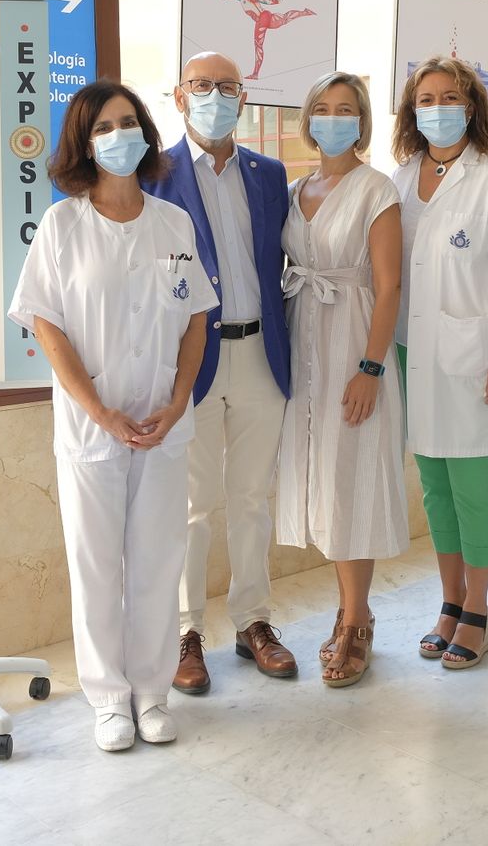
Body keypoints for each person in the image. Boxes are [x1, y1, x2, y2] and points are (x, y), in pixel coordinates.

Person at [8, 80, 215, 751]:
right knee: (96, 564)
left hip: (161, 423)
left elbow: (193, 321)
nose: (119, 136)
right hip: (92, 430)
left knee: (157, 559)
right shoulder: (64, 225)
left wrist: (179, 396)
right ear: (85, 144)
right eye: (103, 128)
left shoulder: (173, 223)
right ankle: (108, 700)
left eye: (129, 123)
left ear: (147, 135)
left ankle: (152, 693)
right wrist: (99, 410)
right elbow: (47, 327)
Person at [144, 51, 297, 693]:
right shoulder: (156, 174)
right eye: (202, 86)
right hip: (193, 361)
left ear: (243, 97)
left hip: (261, 354)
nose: (215, 96)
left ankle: (252, 622)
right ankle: (187, 633)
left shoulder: (269, 173)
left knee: (252, 501)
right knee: (192, 507)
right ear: (179, 98)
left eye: (227, 87)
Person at [392, 55, 488, 670]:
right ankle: (448, 602)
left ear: (472, 106)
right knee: (434, 485)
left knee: (472, 485)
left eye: (450, 97)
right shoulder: (398, 178)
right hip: (408, 351)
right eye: (425, 99)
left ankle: (477, 608)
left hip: (473, 356)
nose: (438, 108)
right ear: (411, 110)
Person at [275, 72, 406, 688]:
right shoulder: (297, 188)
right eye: (322, 108)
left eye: (346, 109)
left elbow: (389, 289)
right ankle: (347, 609)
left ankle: (356, 622)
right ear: (308, 119)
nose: (333, 118)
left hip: (353, 344)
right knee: (325, 482)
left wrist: (371, 368)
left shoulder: (376, 189)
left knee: (352, 477)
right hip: (305, 348)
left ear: (362, 121)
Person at [207, 0, 316, 80]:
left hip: (262, 18)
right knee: (284, 18)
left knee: (258, 45)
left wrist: (276, 1)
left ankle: (255, 74)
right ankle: (305, 12)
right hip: (266, 17)